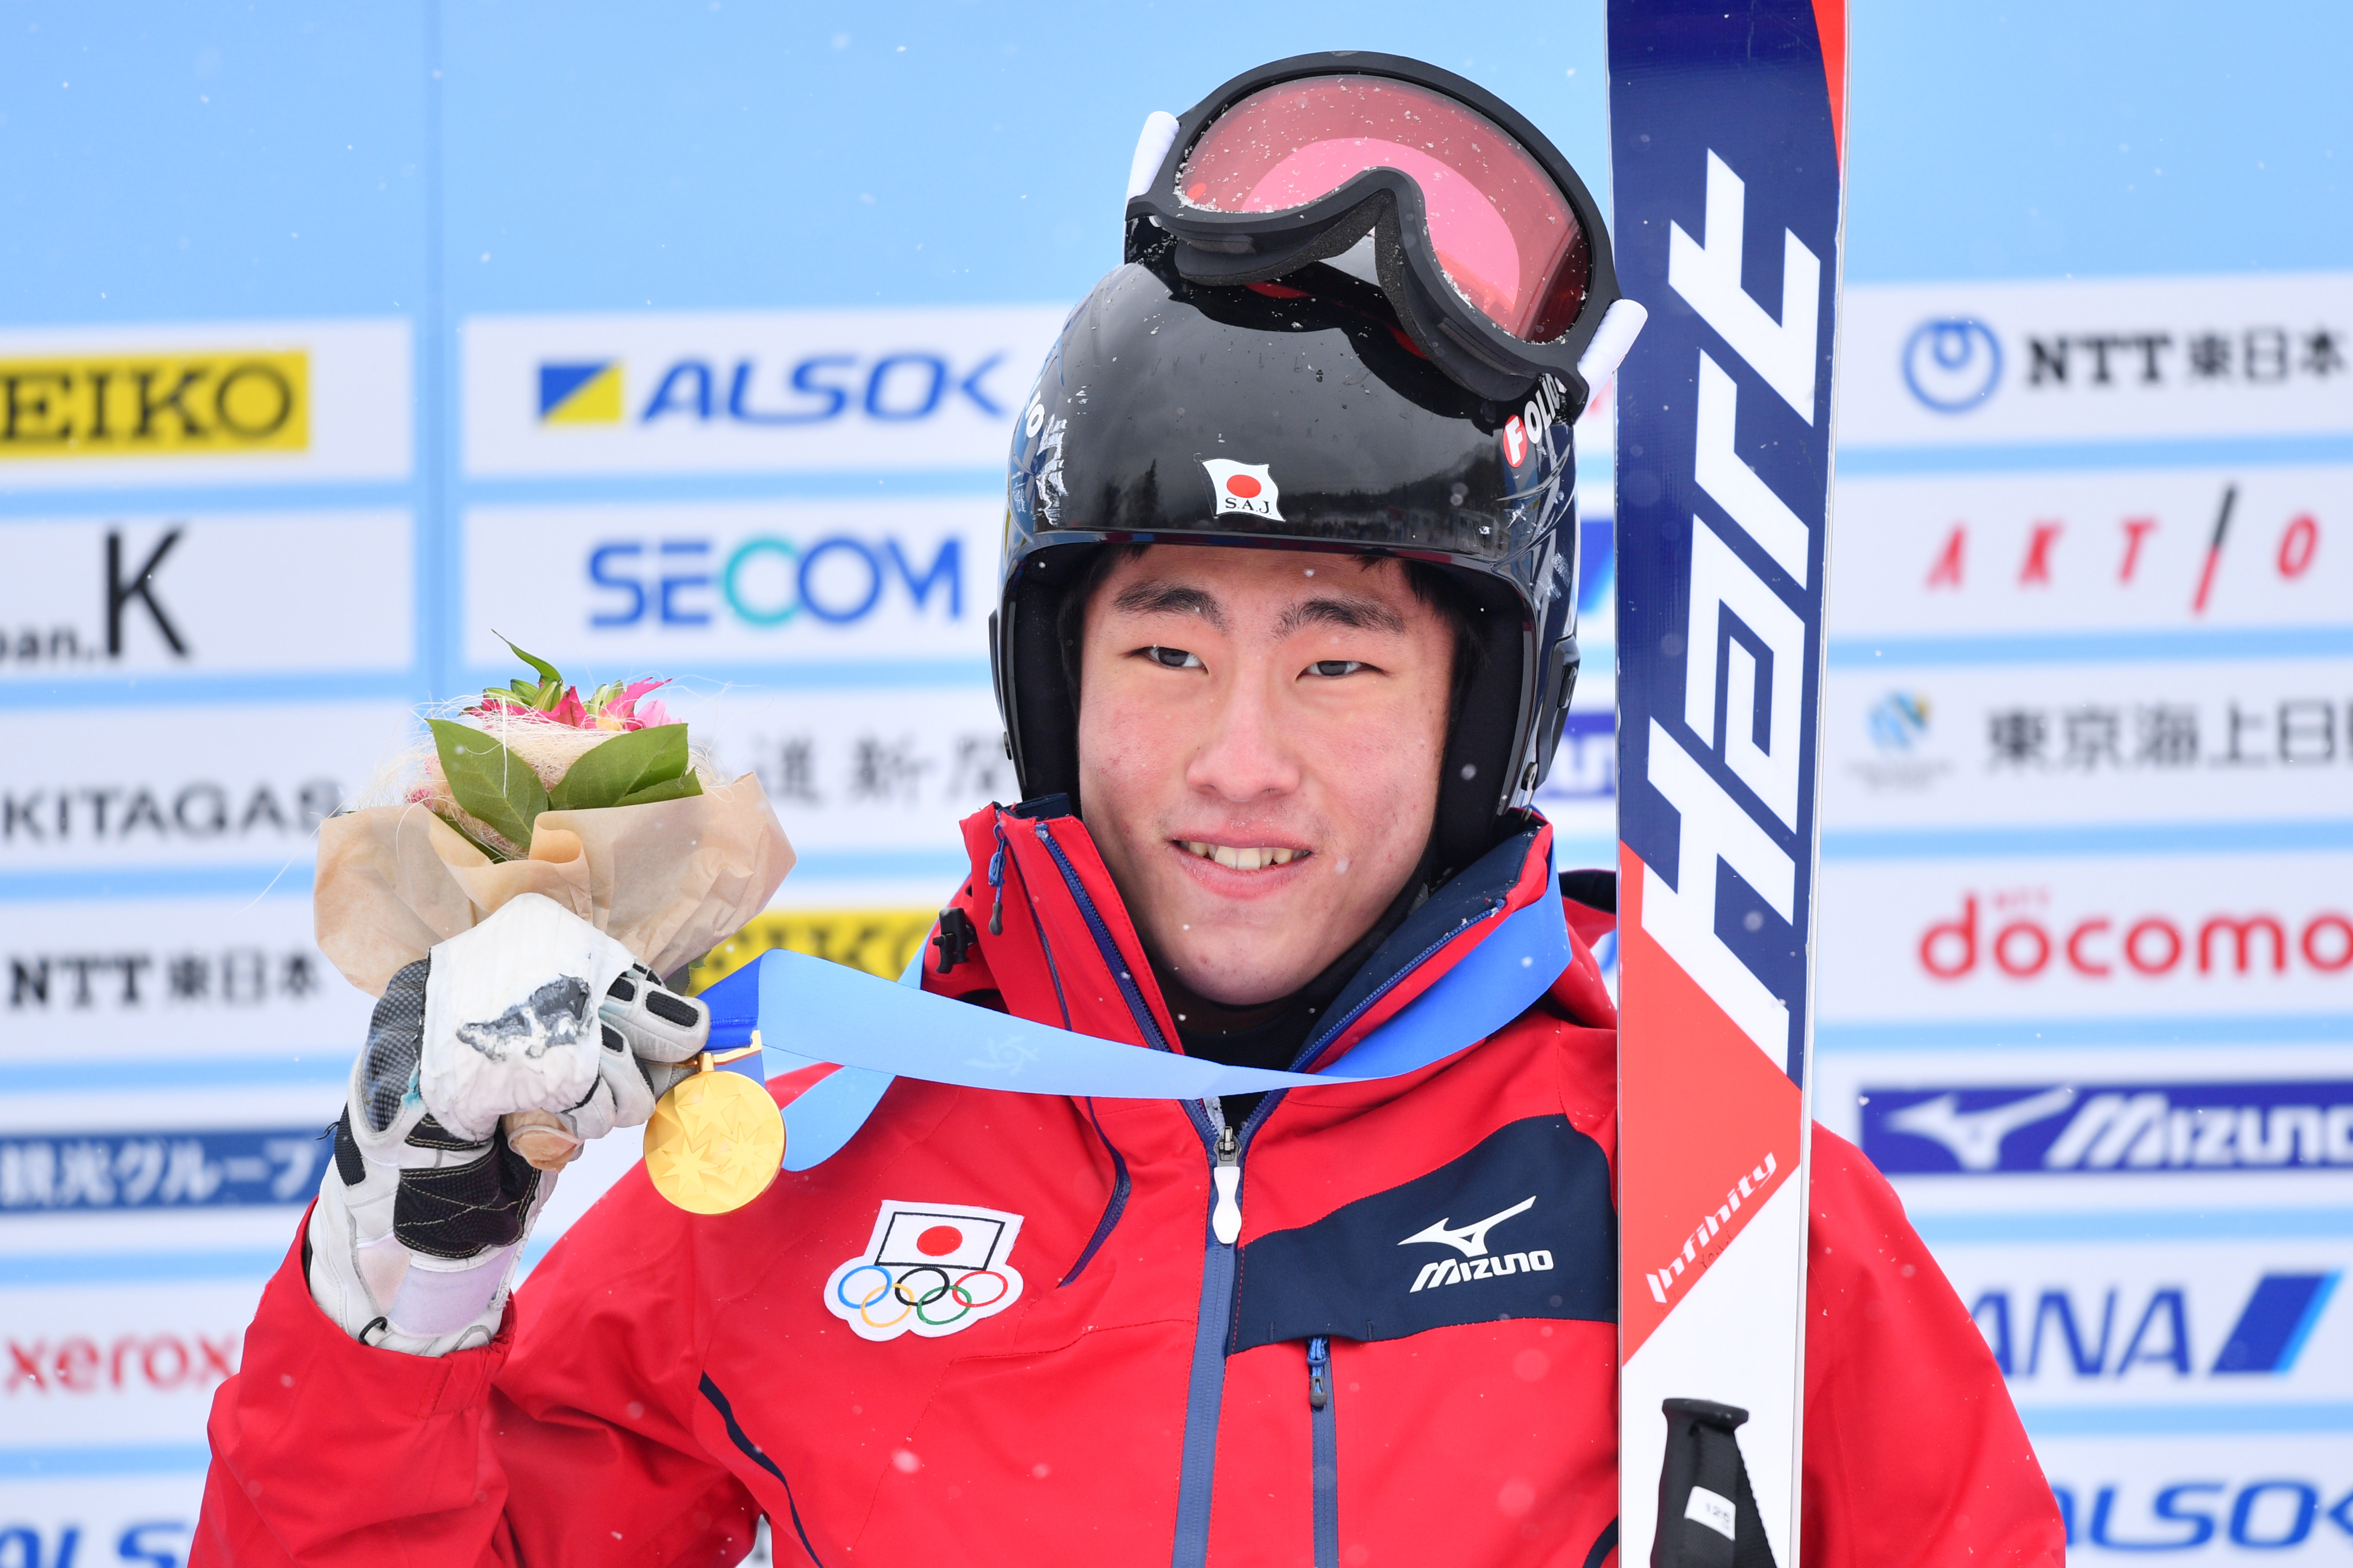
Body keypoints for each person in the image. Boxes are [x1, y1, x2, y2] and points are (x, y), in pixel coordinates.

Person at [196, 53, 2062, 1568]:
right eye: (1169, 651)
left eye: (1339, 661)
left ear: (1483, 710)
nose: (1241, 758)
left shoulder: (1693, 1187)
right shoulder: (804, 1160)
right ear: (1053, 683)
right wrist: (403, 1274)